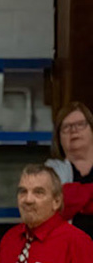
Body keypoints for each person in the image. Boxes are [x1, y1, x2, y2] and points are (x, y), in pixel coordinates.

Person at [46, 100, 93, 239]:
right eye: (66, 127)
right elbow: (54, 208)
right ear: (59, 138)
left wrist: (77, 197)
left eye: (80, 124)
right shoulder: (50, 170)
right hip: (67, 248)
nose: (74, 130)